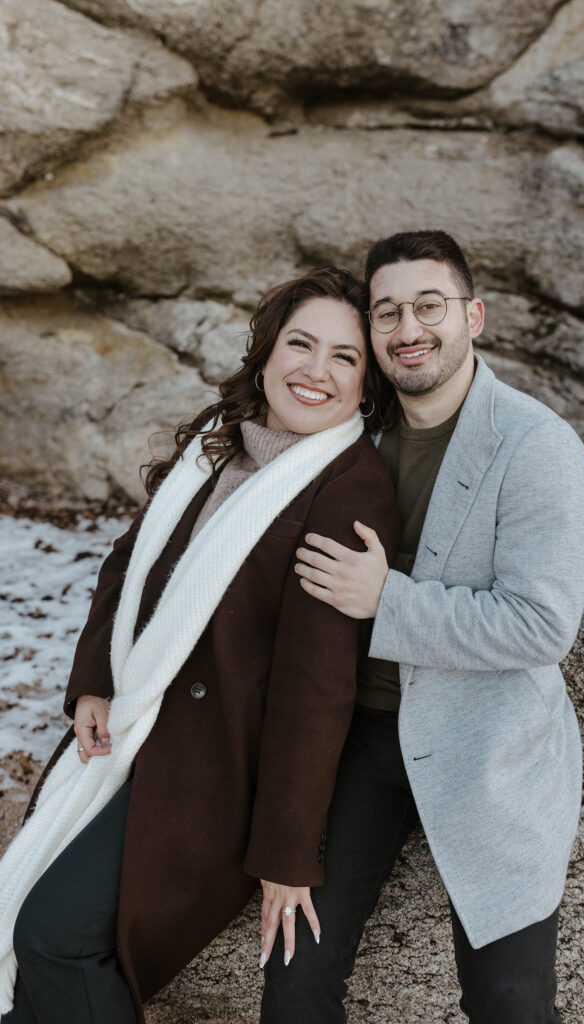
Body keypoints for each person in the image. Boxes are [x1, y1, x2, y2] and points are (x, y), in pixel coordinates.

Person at [0, 267, 398, 1024]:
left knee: (54, 938)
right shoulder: (224, 446)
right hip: (135, 732)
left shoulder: (348, 487)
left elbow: (314, 691)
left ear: (365, 382)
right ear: (266, 352)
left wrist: (286, 857)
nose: (315, 371)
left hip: (217, 777)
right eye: (300, 344)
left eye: (344, 358)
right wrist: (93, 681)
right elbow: (131, 557)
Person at [263, 231, 584, 1023]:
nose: (407, 328)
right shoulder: (354, 434)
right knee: (294, 980)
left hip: (490, 745)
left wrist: (388, 599)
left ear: (472, 315)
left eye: (428, 306)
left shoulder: (536, 446)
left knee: (510, 1003)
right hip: (362, 738)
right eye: (386, 313)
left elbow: (542, 625)